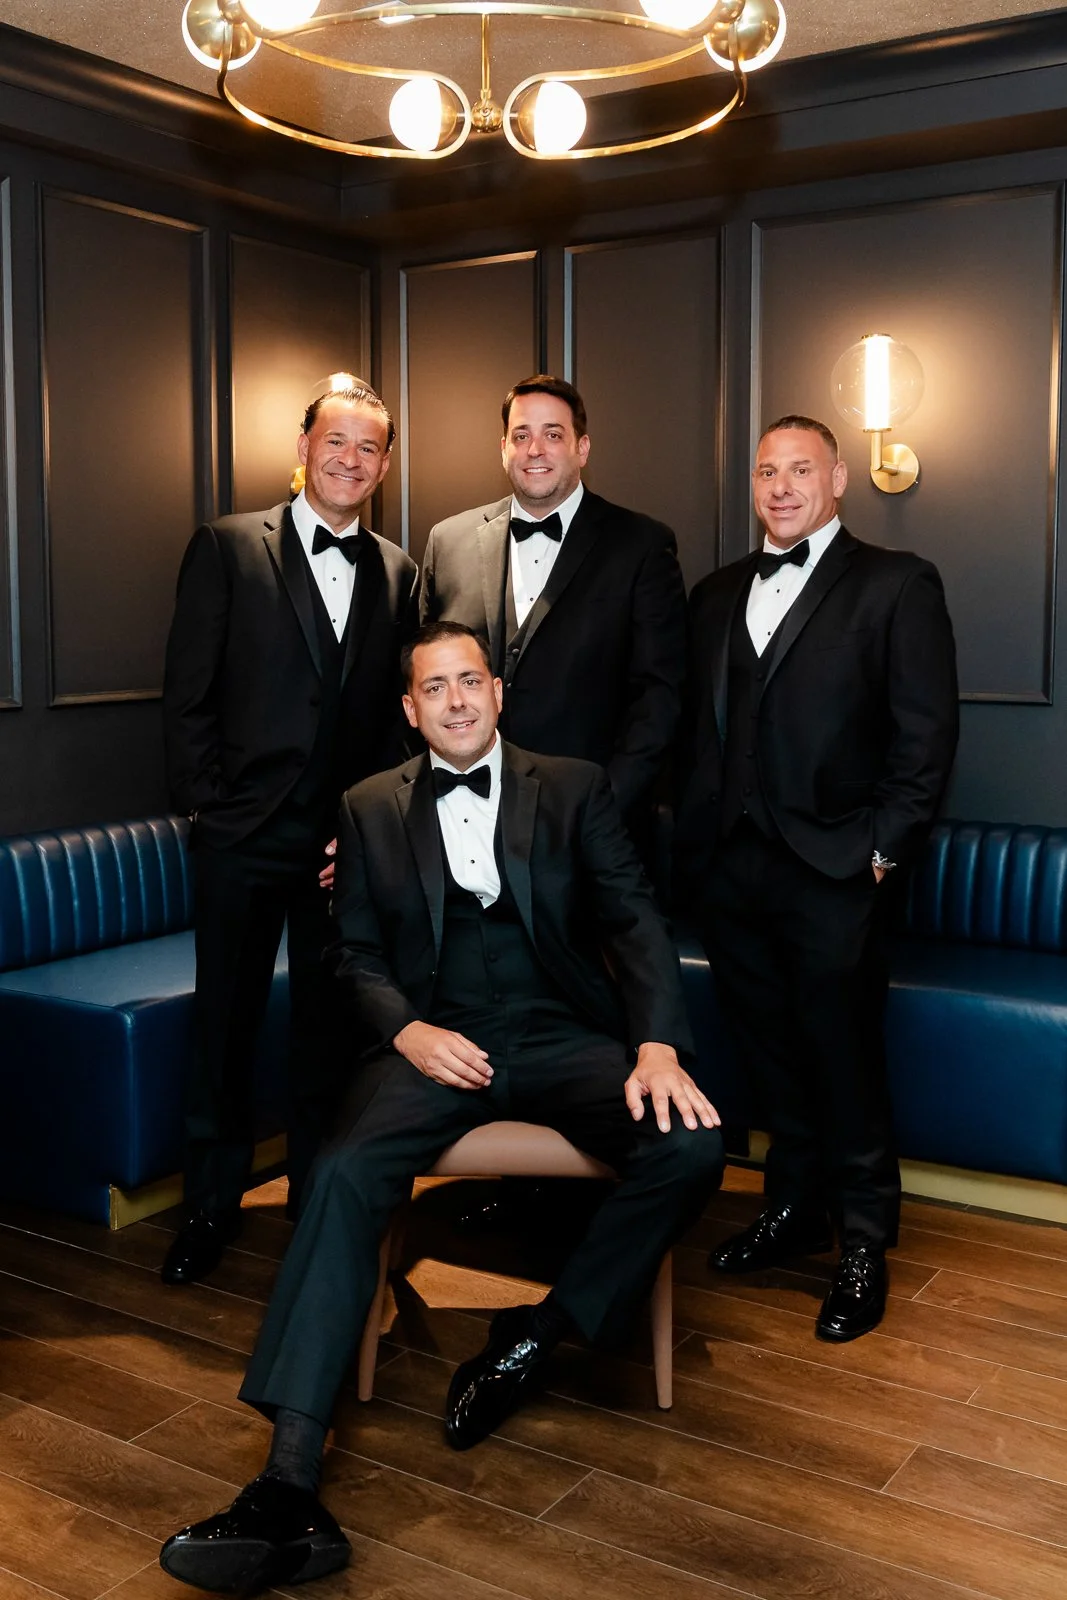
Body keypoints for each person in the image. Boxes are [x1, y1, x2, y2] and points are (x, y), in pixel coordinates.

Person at [158, 622, 723, 1596]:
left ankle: (534, 1339)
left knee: (693, 1142)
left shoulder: (576, 785)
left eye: (471, 680)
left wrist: (657, 1043)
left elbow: (632, 916)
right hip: (433, 1039)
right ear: (409, 709)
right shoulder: (369, 806)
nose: (457, 700)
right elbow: (353, 953)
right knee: (337, 1171)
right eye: (435, 687)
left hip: (557, 1033)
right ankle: (288, 1483)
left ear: (498, 693)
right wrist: (408, 1033)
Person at [675, 415, 958, 1342]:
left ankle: (865, 1238)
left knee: (842, 1052)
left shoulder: (896, 583)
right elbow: (696, 732)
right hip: (731, 867)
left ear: (838, 478)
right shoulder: (715, 592)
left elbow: (925, 739)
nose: (782, 486)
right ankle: (792, 1207)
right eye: (766, 472)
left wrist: (882, 851)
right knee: (766, 1047)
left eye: (800, 469)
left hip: (839, 867)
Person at [160, 384, 419, 1285]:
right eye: (335, 441)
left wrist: (370, 832)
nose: (351, 459)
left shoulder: (400, 570)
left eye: (369, 448)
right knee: (222, 1028)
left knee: (328, 1031)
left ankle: (317, 1202)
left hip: (338, 852)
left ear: (385, 465)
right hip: (240, 838)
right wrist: (212, 811)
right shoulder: (228, 545)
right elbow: (186, 694)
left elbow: (395, 726)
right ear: (302, 446)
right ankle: (209, 1206)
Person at [420, 374, 686, 836]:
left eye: (553, 435)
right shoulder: (449, 541)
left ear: (582, 449)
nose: (534, 449)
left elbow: (660, 697)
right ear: (502, 447)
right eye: (521, 435)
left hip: (590, 825)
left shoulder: (641, 546)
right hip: (463, 821)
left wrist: (605, 807)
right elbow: (420, 678)